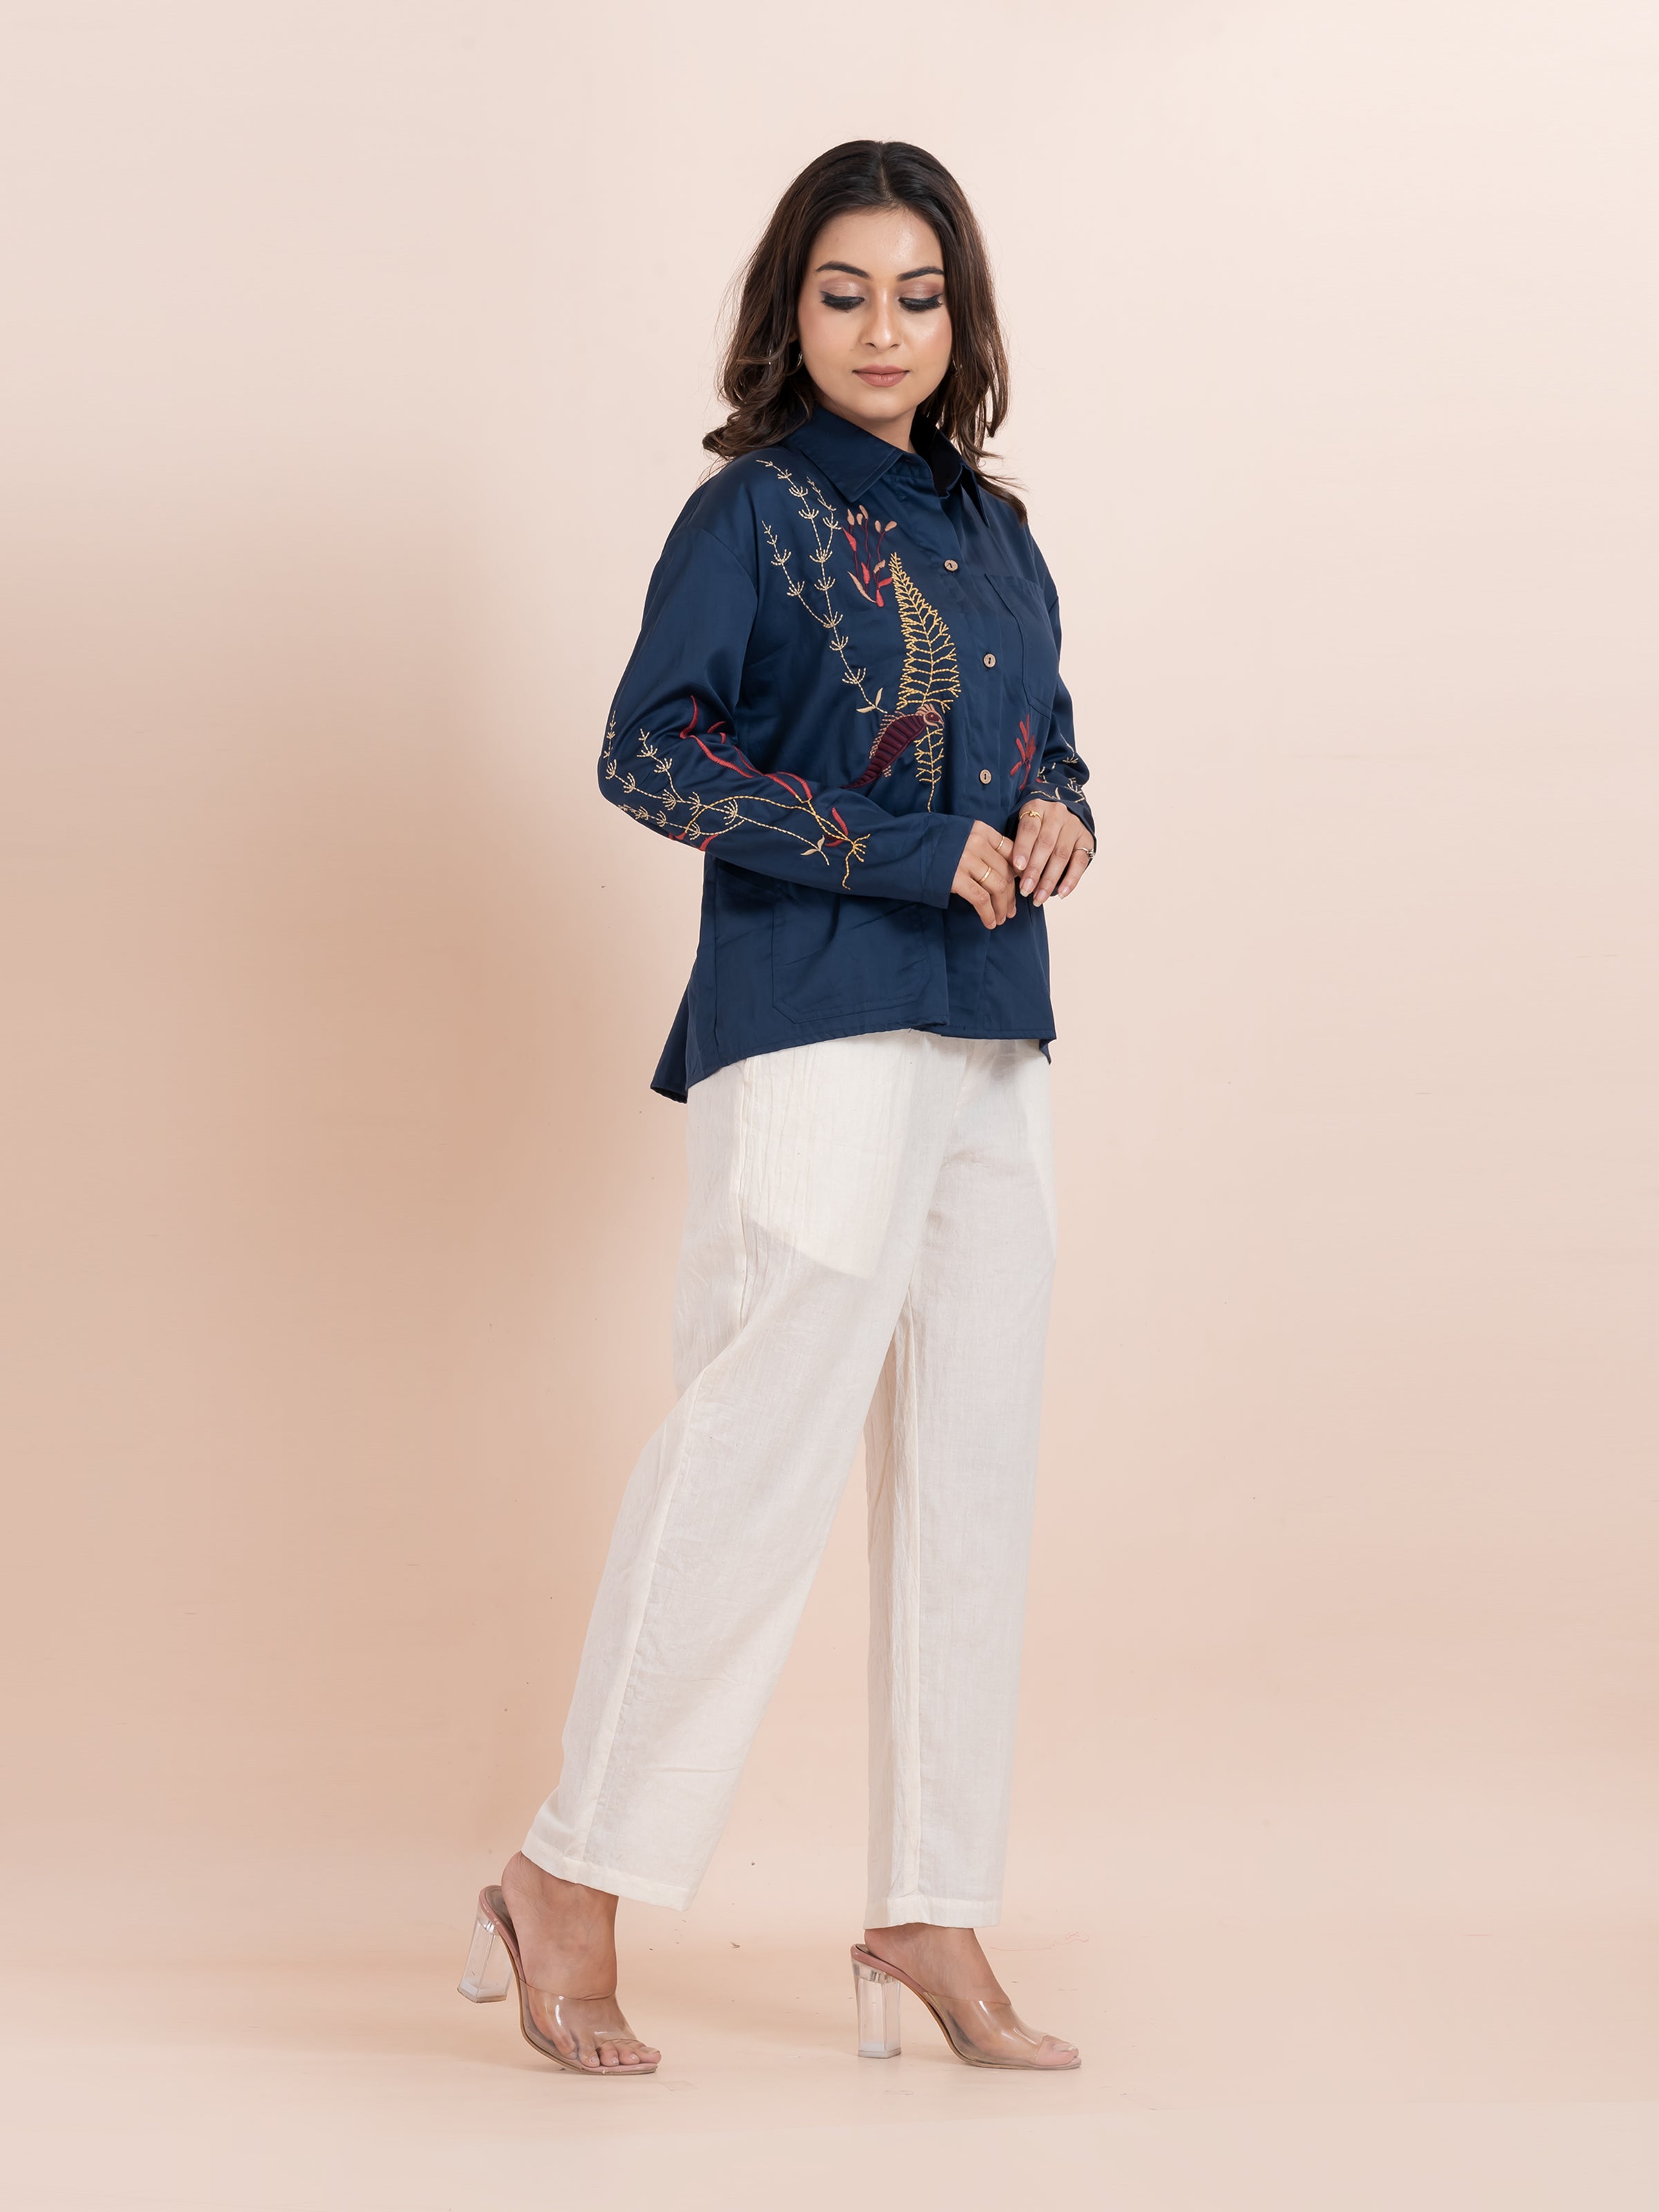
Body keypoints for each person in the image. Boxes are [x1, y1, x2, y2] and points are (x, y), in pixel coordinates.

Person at [459, 140, 1095, 2077]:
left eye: (918, 294)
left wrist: (1062, 810)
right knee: (759, 1441)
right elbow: (648, 752)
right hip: (815, 1018)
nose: (883, 328)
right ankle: (570, 1874)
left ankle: (931, 1905)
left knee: (974, 1463)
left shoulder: (996, 531)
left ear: (960, 317)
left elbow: (1048, 738)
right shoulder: (750, 513)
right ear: (789, 311)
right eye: (845, 292)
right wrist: (905, 849)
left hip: (991, 1029)